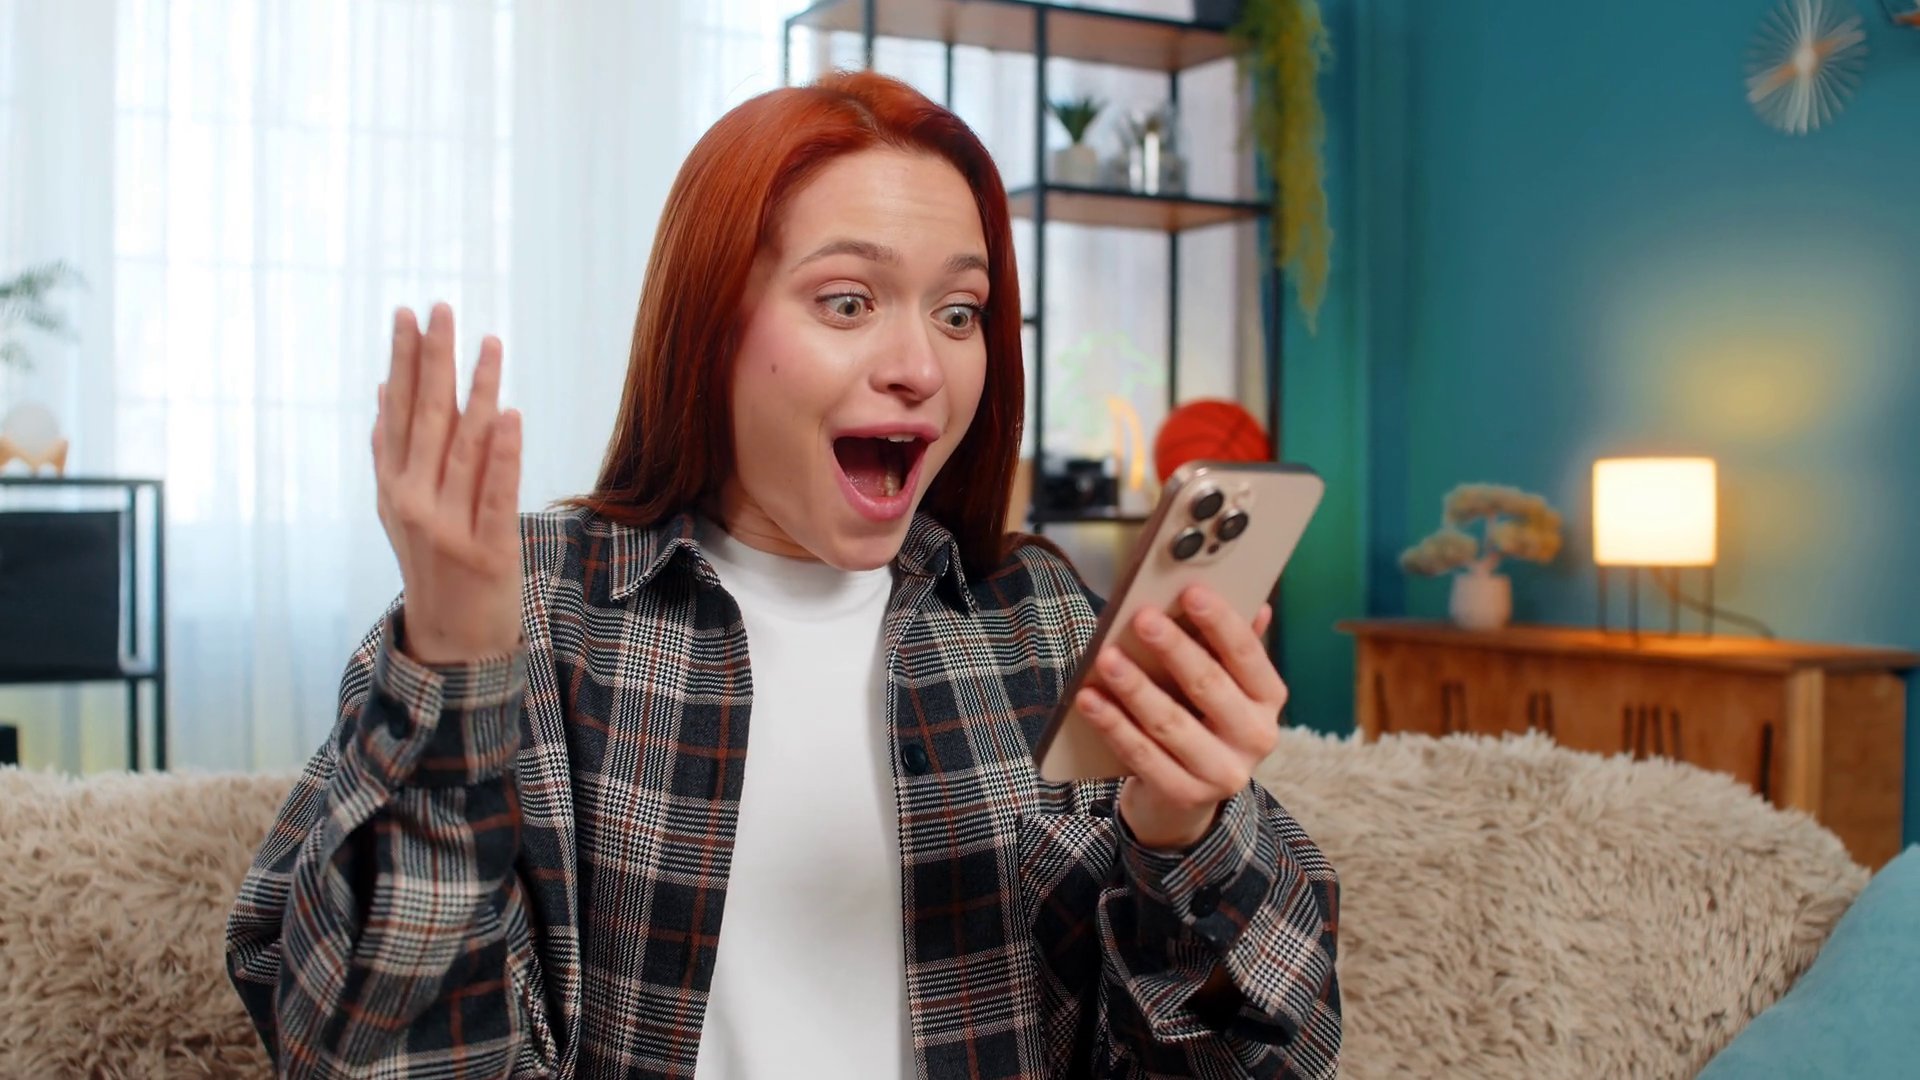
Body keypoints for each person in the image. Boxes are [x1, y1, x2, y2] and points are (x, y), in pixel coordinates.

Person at [225, 71, 1339, 1080]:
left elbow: (1261, 1062)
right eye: (847, 301)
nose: (920, 367)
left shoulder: (1044, 628)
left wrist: (1182, 832)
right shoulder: (534, 617)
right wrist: (453, 673)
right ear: (710, 325)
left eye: (959, 312)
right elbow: (368, 1056)